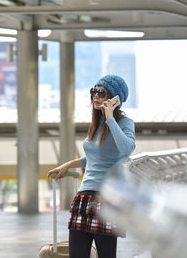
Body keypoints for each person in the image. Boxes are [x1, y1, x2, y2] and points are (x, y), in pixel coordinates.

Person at [47, 74, 136, 258]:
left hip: (106, 198)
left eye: (101, 92)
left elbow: (126, 149)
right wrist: (68, 165)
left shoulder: (124, 123)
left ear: (115, 98)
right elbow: (95, 157)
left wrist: (110, 118)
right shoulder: (97, 124)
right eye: (93, 92)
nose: (96, 96)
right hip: (84, 197)